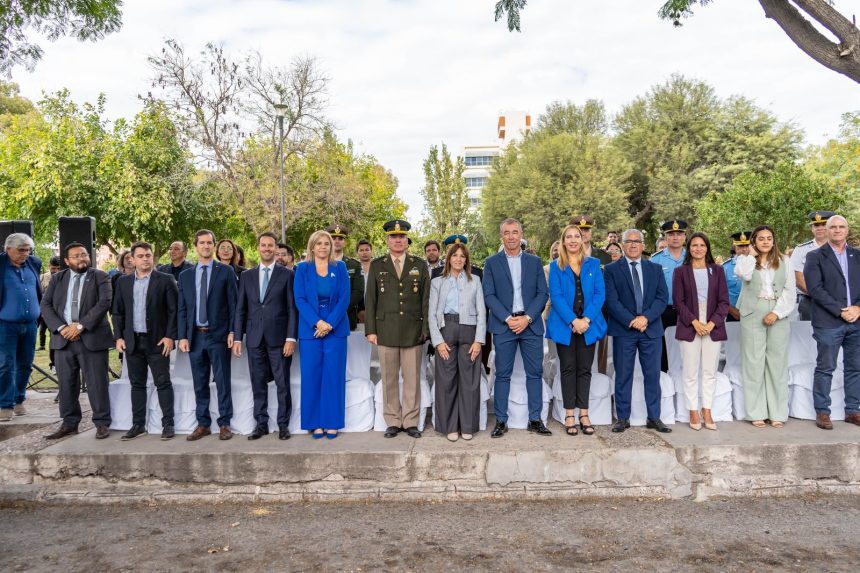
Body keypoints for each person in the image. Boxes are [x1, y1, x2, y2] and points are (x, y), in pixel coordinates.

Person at [483, 218, 550, 437]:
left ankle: (535, 419)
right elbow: (489, 295)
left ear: (521, 235)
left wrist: (527, 318)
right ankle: (501, 420)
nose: (511, 237)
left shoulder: (535, 261)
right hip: (505, 326)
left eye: (515, 232)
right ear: (501, 236)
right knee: (502, 374)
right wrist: (507, 318)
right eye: (507, 232)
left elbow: (543, 293)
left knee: (535, 373)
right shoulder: (491, 262)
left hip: (530, 324)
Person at [365, 219, 430, 439]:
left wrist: (425, 329)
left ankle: (410, 421)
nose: (398, 240)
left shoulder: (419, 264)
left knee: (412, 379)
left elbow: (425, 300)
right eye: (394, 237)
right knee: (389, 379)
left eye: (402, 237)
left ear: (407, 240)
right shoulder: (377, 265)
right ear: (388, 240)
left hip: (413, 331)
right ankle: (392, 420)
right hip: (386, 329)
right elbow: (371, 300)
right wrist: (371, 330)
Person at [41, 242, 114, 439]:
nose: (82, 258)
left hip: (92, 338)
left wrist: (80, 326)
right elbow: (45, 305)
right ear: (67, 261)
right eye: (76, 256)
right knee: (66, 384)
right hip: (63, 339)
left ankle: (102, 423)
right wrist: (63, 328)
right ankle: (69, 423)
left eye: (84, 254)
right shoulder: (57, 278)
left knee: (97, 382)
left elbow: (104, 303)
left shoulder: (100, 276)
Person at [604, 229, 671, 434]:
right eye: (628, 241)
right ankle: (623, 418)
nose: (633, 245)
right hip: (624, 329)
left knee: (652, 375)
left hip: (651, 329)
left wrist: (645, 318)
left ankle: (654, 417)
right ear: (622, 245)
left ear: (643, 245)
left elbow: (662, 298)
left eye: (637, 241)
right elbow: (611, 300)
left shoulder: (655, 269)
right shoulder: (611, 269)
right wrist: (632, 321)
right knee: (623, 374)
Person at [232, 232, 298, 440]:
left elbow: (292, 309)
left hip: (279, 338)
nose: (267, 249)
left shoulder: (287, 275)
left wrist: (291, 338)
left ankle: (283, 425)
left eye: (271, 245)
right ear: (258, 248)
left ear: (276, 248)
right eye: (263, 245)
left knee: (282, 384)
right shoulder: (247, 276)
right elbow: (240, 309)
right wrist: (237, 337)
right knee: (258, 383)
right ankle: (261, 424)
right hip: (254, 337)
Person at [112, 241, 178, 440]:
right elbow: (117, 312)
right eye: (140, 256)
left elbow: (174, 311)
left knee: (163, 383)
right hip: (132, 341)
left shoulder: (165, 280)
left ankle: (168, 424)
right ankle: (138, 424)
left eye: (148, 255)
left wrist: (170, 336)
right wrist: (118, 337)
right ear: (132, 259)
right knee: (137, 384)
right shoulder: (123, 282)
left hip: (158, 341)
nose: (145, 259)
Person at [546, 224, 607, 436]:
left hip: (589, 325)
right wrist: (573, 321)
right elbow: (556, 297)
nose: (573, 240)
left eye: (576, 236)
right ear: (563, 241)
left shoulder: (594, 264)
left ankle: (584, 414)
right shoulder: (555, 266)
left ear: (582, 240)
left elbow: (600, 294)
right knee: (568, 369)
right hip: (565, 326)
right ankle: (569, 414)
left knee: (585, 370)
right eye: (568, 237)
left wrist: (586, 319)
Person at [178, 230, 238, 441]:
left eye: (209, 243)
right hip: (195, 337)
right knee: (199, 382)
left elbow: (233, 305)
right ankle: (203, 424)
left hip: (218, 336)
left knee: (222, 381)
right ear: (195, 246)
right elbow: (182, 309)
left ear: (213, 246)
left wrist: (233, 331)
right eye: (202, 243)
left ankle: (224, 423)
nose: (206, 246)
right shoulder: (185, 276)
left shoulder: (226, 271)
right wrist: (183, 336)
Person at [802, 215, 860, 429]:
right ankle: (823, 412)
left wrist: (857, 308)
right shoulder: (814, 256)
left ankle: (853, 411)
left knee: (855, 368)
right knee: (825, 368)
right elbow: (815, 289)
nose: (837, 230)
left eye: (841, 226)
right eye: (833, 227)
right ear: (826, 231)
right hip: (829, 322)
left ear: (847, 230)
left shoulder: (858, 255)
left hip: (856, 321)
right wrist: (840, 311)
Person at [735, 225, 795, 428]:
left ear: (774, 240)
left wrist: (776, 313)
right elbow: (744, 275)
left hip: (778, 310)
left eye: (769, 238)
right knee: (754, 362)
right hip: (752, 311)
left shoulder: (785, 261)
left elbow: (790, 290)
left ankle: (777, 412)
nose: (766, 242)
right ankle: (756, 412)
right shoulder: (745, 260)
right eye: (761, 238)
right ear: (754, 241)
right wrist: (751, 255)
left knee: (777, 363)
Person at [428, 242, 486, 441]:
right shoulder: (437, 282)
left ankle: (467, 426)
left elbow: (482, 311)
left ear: (466, 260)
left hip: (469, 331)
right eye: (455, 255)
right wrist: (438, 341)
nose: (459, 259)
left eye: (462, 256)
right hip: (446, 330)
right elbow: (431, 314)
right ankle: (450, 427)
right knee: (446, 380)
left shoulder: (475, 280)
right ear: (449, 258)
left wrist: (478, 340)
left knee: (469, 381)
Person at [672, 232, 729, 431]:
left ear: (707, 248)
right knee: (690, 371)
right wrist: (695, 322)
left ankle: (707, 410)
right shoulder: (681, 271)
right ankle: (693, 410)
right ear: (689, 248)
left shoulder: (718, 270)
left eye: (702, 245)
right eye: (694, 245)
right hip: (690, 323)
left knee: (710, 371)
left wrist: (712, 323)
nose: (698, 249)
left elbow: (724, 302)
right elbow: (678, 302)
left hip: (713, 323)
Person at [0, 233, 42, 422]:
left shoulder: (34, 263)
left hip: (30, 325)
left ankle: (19, 400)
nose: (25, 254)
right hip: (5, 325)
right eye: (21, 250)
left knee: (25, 365)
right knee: (6, 365)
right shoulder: (1, 265)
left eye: (28, 250)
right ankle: (5, 404)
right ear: (8, 249)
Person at [651, 219, 688, 372]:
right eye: (671, 234)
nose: (675, 237)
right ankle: (664, 380)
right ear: (665, 237)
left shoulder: (692, 257)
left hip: (688, 311)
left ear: (684, 236)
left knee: (686, 349)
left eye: (679, 234)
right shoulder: (656, 259)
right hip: (664, 311)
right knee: (663, 351)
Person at [791, 210, 834, 321]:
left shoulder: (839, 248)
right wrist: (818, 295)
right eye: (816, 225)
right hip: (809, 300)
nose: (820, 228)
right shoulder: (801, 250)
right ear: (812, 229)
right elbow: (797, 277)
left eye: (823, 224)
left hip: (836, 300)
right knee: (808, 331)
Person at [327, 224, 364, 332]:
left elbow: (358, 292)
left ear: (345, 242)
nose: (337, 241)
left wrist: (339, 310)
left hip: (347, 317)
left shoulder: (354, 265)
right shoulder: (319, 263)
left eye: (340, 238)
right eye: (333, 238)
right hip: (323, 317)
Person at [722, 232, 751, 322]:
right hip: (733, 314)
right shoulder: (725, 267)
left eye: (747, 246)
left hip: (754, 314)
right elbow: (718, 293)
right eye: (740, 246)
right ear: (734, 247)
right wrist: (732, 311)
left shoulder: (758, 265)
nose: (744, 249)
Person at [37, 256, 61, 351]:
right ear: (49, 266)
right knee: (42, 330)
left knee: (54, 334)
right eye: (53, 268)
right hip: (45, 311)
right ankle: (42, 345)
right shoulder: (43, 277)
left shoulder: (65, 276)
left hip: (59, 312)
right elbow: (39, 295)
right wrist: (43, 311)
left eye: (58, 268)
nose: (56, 271)